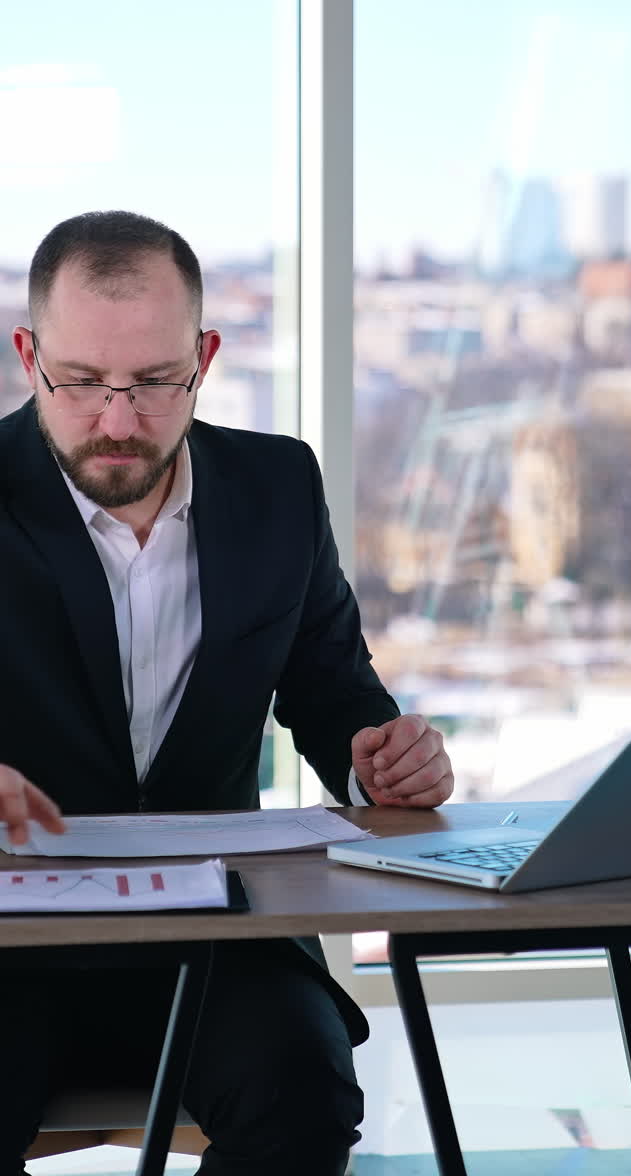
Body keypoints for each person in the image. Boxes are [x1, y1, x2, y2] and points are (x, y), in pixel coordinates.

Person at [0, 210, 454, 1176]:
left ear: (203, 356)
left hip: (217, 940)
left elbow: (337, 693)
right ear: (27, 352)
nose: (118, 421)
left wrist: (383, 752)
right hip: (11, 945)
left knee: (309, 1096)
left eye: (156, 383)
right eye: (80, 383)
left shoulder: (277, 487)